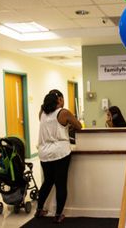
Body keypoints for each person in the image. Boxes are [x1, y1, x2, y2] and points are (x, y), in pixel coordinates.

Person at [35, 89, 82, 223]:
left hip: (44, 153)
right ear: (59, 100)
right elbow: (79, 126)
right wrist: (69, 125)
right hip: (60, 153)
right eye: (62, 99)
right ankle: (58, 215)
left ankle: (39, 210)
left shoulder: (42, 113)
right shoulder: (64, 112)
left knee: (47, 182)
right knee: (60, 183)